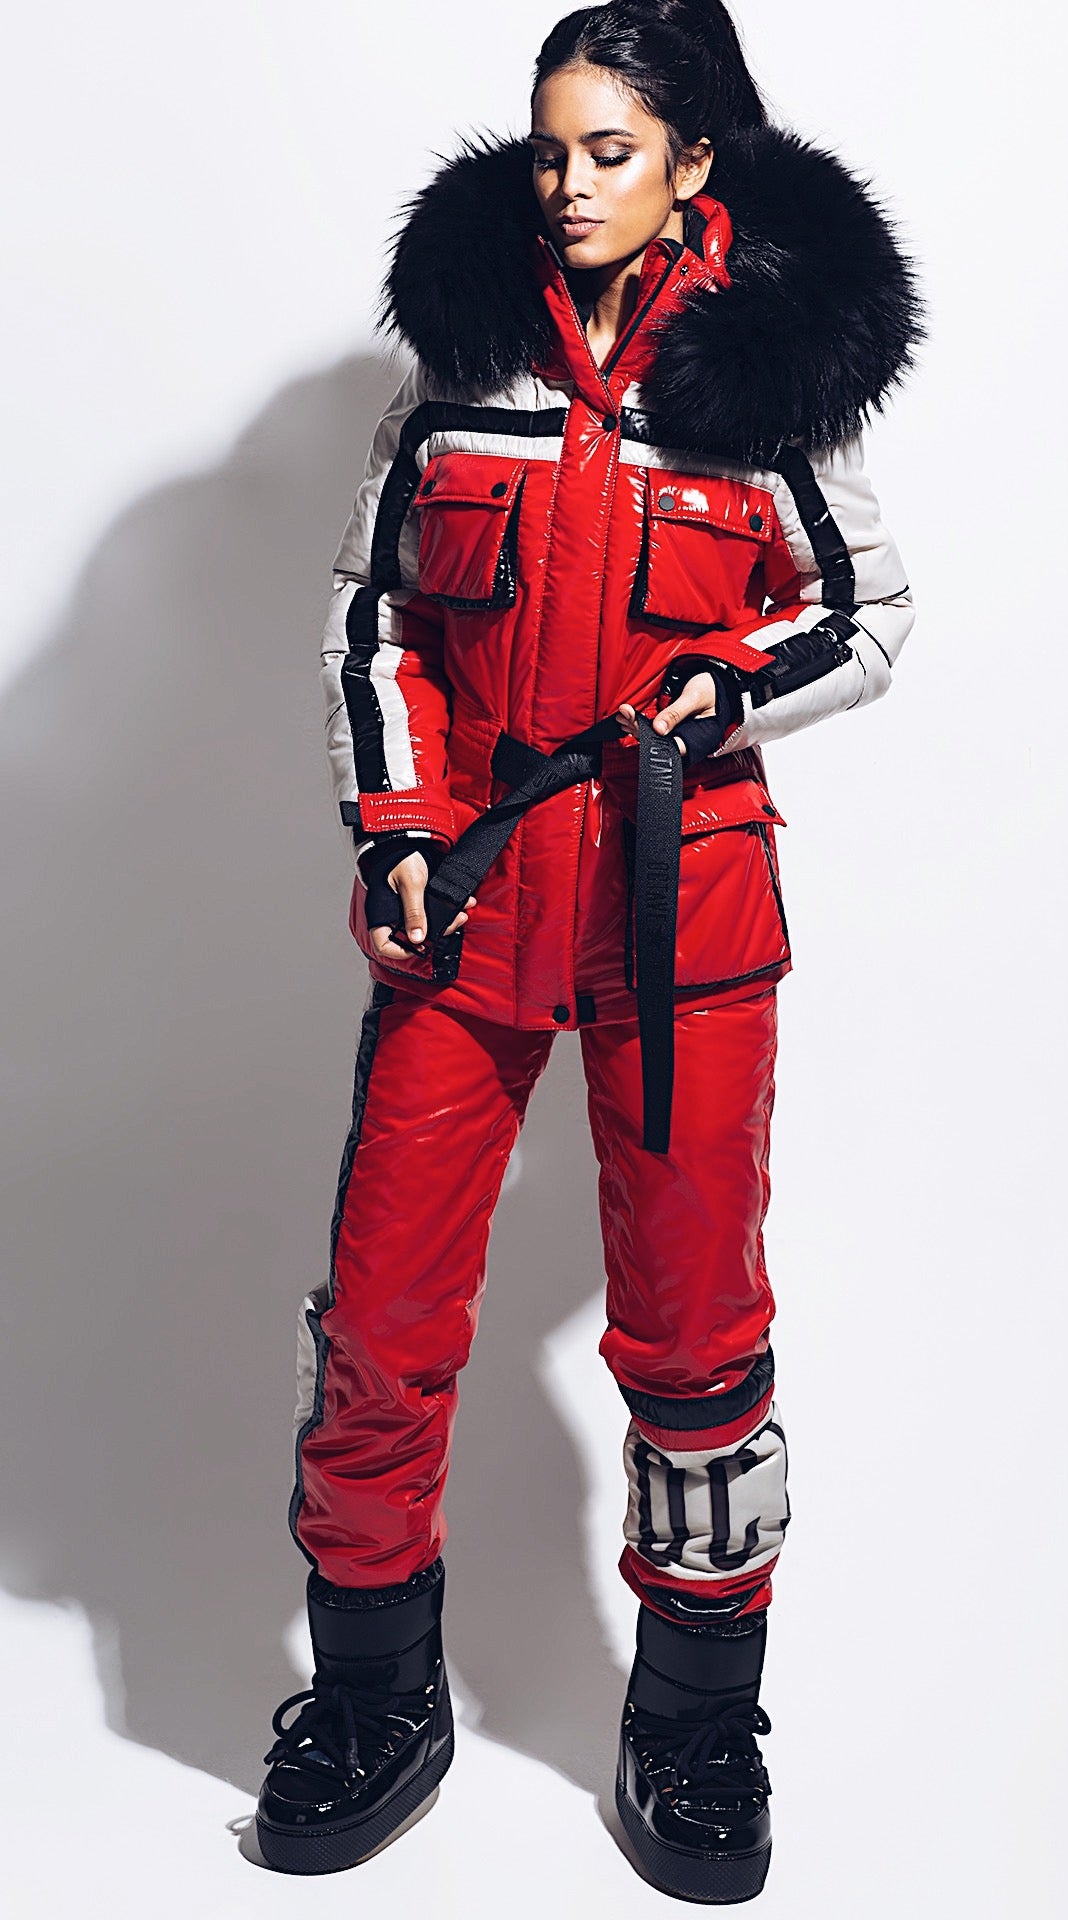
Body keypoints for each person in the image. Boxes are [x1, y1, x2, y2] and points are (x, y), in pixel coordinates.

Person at [254, 0, 924, 1896]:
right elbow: (375, 616)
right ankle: (371, 1691)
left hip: (682, 917)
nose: (567, 186)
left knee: (697, 1340)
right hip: (464, 916)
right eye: (550, 150)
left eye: (610, 152)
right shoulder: (461, 379)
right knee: (379, 1323)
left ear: (695, 165)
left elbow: (867, 613)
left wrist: (729, 687)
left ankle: (698, 1718)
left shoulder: (767, 382)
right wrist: (396, 830)